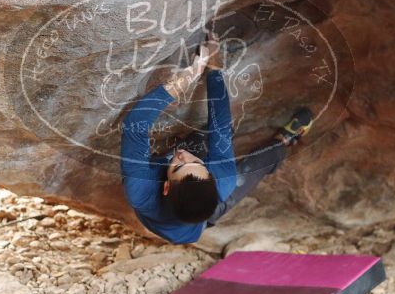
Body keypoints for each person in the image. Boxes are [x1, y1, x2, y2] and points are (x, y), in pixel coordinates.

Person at [120, 33, 313, 245]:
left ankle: (169, 163)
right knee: (257, 162)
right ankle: (284, 141)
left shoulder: (139, 189)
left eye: (179, 165)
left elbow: (135, 126)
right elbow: (220, 123)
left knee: (208, 140)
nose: (183, 155)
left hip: (168, 222)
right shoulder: (224, 181)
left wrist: (189, 76)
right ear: (211, 175)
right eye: (194, 162)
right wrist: (213, 68)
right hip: (197, 224)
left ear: (165, 187)